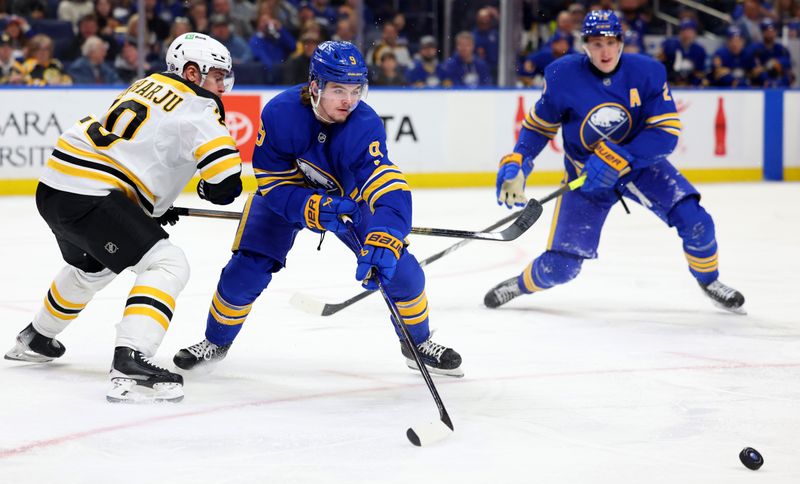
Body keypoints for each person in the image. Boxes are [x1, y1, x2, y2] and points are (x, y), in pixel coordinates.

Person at [173, 41, 463, 378]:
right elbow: (270, 180)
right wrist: (307, 206)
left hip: (347, 203)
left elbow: (386, 182)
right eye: (339, 89)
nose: (349, 101)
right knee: (245, 270)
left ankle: (417, 343)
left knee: (402, 270)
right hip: (286, 197)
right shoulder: (280, 113)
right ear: (315, 86)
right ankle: (216, 341)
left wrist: (388, 232)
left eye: (356, 90)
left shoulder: (364, 124)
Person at [4, 33, 244, 403]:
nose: (221, 86)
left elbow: (133, 154)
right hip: (92, 195)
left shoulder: (146, 84)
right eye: (216, 76)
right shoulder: (199, 105)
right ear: (193, 72)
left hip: (54, 187)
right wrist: (210, 190)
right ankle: (131, 361)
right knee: (168, 263)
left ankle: (37, 336)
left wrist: (148, 211)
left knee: (95, 267)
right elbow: (226, 182)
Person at [484, 11, 745, 314]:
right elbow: (539, 127)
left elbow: (666, 134)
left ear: (622, 42)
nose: (605, 51)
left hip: (641, 168)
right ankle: (518, 285)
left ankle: (710, 281)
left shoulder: (648, 73)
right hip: (586, 179)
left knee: (697, 222)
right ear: (584, 46)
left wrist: (619, 155)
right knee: (560, 267)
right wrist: (519, 161)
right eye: (596, 44)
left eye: (611, 42)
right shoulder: (562, 75)